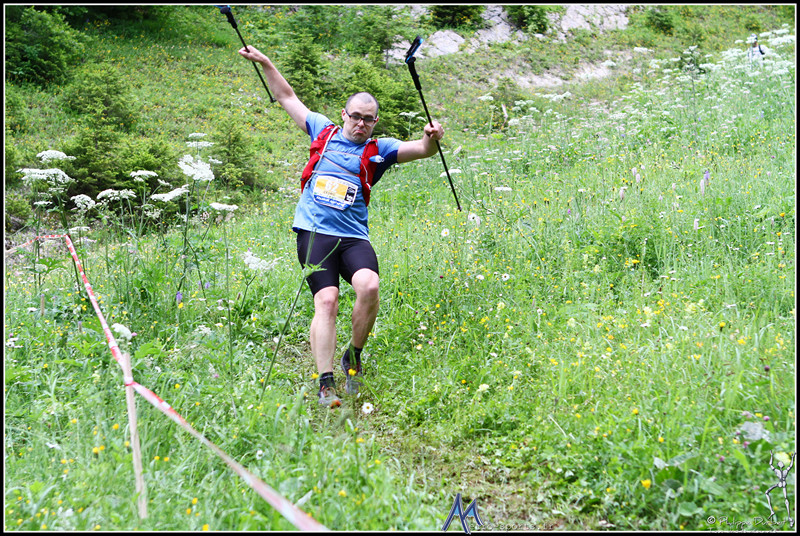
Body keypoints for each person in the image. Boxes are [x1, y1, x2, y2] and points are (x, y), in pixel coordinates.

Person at [238, 45, 445, 408]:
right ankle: (325, 382)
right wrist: (266, 62)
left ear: (375, 122)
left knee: (370, 285)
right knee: (327, 300)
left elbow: (423, 150)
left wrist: (431, 136)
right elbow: (287, 96)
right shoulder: (323, 131)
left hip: (352, 237)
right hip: (314, 233)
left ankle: (354, 355)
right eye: (356, 117)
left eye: (368, 119)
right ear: (344, 115)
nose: (360, 124)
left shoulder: (381, 149)